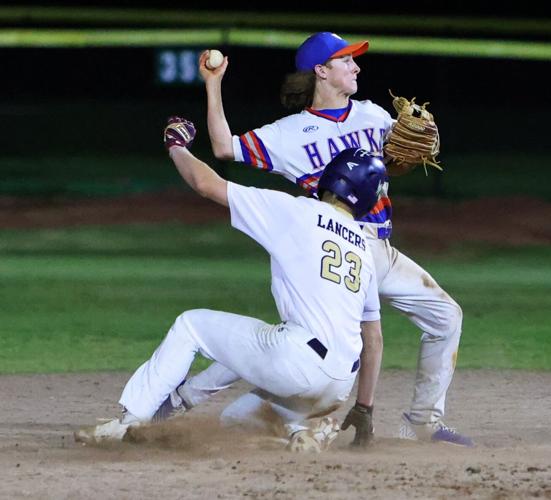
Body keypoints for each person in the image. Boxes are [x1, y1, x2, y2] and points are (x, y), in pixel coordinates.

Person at [173, 32, 473, 447]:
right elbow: (224, 148)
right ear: (321, 70)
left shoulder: (374, 116)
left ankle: (421, 422)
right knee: (300, 341)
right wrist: (213, 82)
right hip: (331, 247)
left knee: (446, 318)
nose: (357, 67)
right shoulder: (289, 133)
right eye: (347, 60)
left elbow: (390, 170)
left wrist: (411, 154)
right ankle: (186, 396)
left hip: (379, 248)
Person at [74, 118, 386, 452]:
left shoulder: (297, 211)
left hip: (295, 362)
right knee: (235, 419)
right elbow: (374, 338)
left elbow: (206, 184)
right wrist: (364, 407)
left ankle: (128, 422)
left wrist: (176, 148)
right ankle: (298, 434)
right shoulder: (365, 249)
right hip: (337, 387)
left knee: (191, 325)